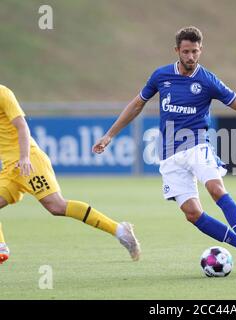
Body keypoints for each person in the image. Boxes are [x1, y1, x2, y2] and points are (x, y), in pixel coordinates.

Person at [93, 26, 236, 274]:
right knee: (193, 214)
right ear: (177, 51)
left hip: (197, 145)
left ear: (200, 50)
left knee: (216, 188)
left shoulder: (207, 80)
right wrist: (109, 135)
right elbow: (136, 104)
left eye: (195, 51)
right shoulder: (161, 76)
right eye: (186, 51)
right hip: (170, 155)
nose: (191, 57)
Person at [0, 85, 141, 264]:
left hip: (29, 162)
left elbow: (22, 127)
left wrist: (24, 157)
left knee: (56, 206)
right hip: (10, 168)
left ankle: (120, 230)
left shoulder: (3, 93)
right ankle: (1, 247)